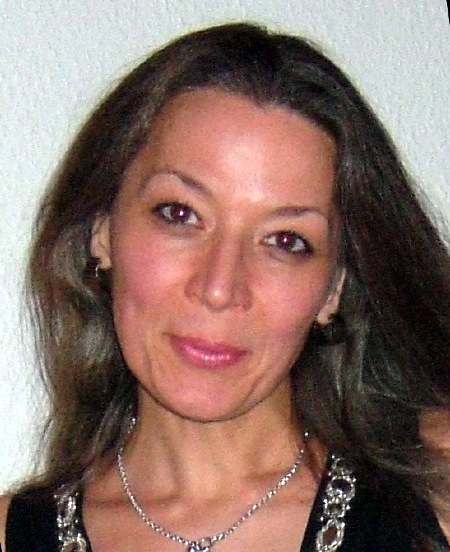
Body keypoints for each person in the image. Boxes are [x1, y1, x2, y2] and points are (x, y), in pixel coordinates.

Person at [0, 22, 449, 552]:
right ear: (102, 231)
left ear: (334, 288)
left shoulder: (433, 511)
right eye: (180, 214)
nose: (219, 287)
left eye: (285, 241)